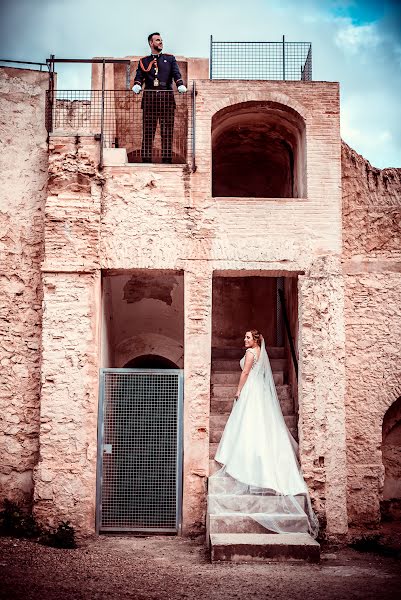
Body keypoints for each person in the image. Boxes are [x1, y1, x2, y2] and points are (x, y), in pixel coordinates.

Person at [211, 329, 319, 537]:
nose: (245, 340)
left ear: (255, 340)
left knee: (249, 423)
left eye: (248, 337)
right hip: (260, 391)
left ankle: (247, 460)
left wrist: (238, 390)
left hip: (251, 389)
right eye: (245, 337)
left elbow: (245, 373)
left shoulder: (251, 353)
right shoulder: (260, 351)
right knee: (259, 423)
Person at [133, 32, 187, 163]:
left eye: (161, 40)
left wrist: (180, 84)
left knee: (167, 132)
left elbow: (176, 73)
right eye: (157, 40)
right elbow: (139, 76)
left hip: (166, 99)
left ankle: (167, 160)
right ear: (151, 43)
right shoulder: (144, 61)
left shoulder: (170, 59)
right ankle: (146, 160)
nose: (161, 42)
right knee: (148, 132)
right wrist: (137, 84)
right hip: (150, 100)